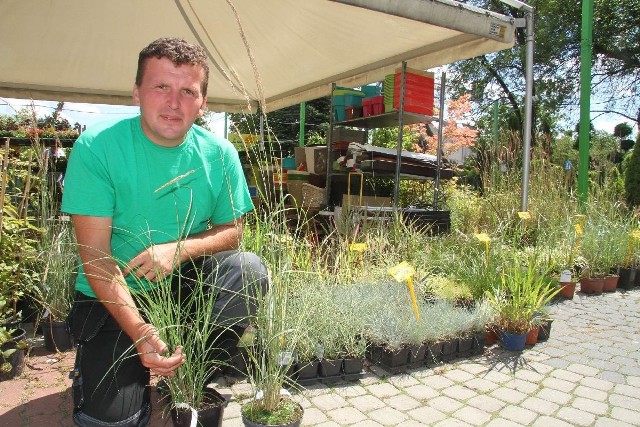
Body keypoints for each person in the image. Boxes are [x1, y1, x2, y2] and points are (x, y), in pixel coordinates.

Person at [61, 37, 268, 426]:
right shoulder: (97, 148)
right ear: (137, 91)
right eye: (161, 87)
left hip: (182, 284)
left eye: (188, 91)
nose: (174, 103)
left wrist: (178, 250)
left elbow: (234, 231)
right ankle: (119, 367)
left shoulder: (219, 154)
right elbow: (96, 259)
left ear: (203, 102)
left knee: (248, 270)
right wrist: (139, 331)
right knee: (113, 421)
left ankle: (188, 370)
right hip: (115, 292)